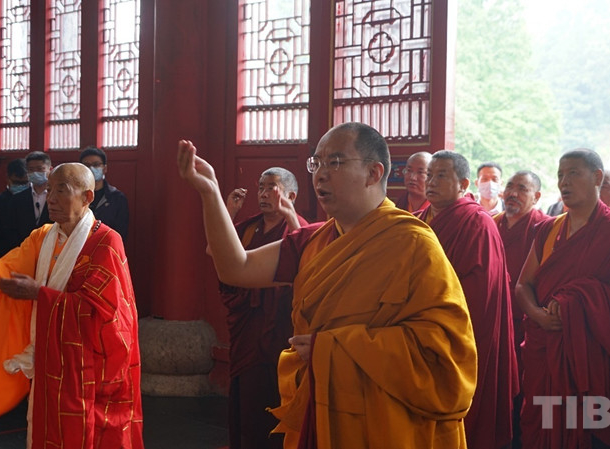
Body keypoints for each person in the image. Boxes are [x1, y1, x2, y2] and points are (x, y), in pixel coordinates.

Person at [178, 122, 477, 448]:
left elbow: (447, 357)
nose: (320, 174)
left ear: (373, 173)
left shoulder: (413, 244)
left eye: (334, 162)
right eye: (316, 163)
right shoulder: (313, 240)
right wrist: (209, 192)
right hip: (323, 405)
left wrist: (333, 348)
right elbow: (236, 268)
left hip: (387, 422)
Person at [0, 163, 143, 447]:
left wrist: (40, 295)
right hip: (50, 366)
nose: (51, 198)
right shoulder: (42, 238)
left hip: (92, 375)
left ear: (87, 197)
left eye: (61, 191)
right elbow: (0, 278)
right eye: (50, 190)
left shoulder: (106, 242)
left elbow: (108, 317)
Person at [515, 149, 610, 448]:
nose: (564, 181)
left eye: (573, 173)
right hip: (546, 347)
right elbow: (523, 284)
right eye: (560, 175)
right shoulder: (548, 229)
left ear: (597, 177)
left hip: (592, 358)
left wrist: (576, 303)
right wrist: (538, 315)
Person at [416, 150, 517, 449]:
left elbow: (481, 295)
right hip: (415, 332)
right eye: (429, 175)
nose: (431, 182)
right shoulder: (417, 220)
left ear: (462, 184)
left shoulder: (477, 223)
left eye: (441, 175)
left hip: (457, 335)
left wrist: (439, 326)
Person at [215, 168, 308, 449]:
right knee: (247, 392)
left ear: (291, 195)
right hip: (249, 325)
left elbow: (305, 257)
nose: (264, 194)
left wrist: (290, 215)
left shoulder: (300, 227)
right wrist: (229, 212)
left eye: (272, 188)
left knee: (276, 390)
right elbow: (215, 251)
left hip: (280, 325)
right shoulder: (250, 226)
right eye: (261, 188)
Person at [494, 170, 546, 355]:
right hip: (493, 314)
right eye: (509, 187)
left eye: (522, 189)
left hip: (525, 318)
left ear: (536, 197)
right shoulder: (492, 224)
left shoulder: (545, 228)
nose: (513, 194)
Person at [80, 146, 130, 240]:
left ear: (105, 168)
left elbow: (120, 233)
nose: (91, 168)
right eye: (87, 165)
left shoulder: (117, 198)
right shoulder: (74, 196)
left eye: (96, 164)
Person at [0, 158, 29, 256]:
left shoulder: (35, 200)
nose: (21, 186)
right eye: (17, 183)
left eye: (24, 183)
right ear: (8, 178)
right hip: (4, 253)